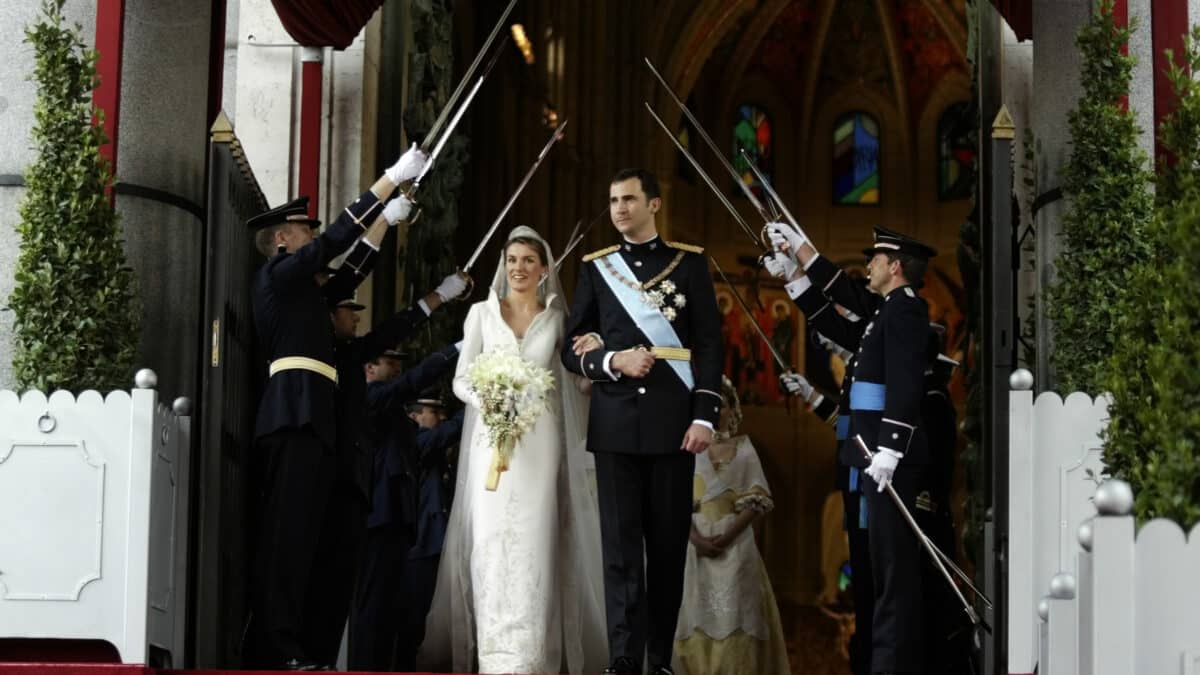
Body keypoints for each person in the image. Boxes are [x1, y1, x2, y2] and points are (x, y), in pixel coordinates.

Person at [246, 143, 430, 670]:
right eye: (304, 231)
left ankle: (303, 648)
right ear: (283, 240)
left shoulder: (305, 291)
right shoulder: (277, 278)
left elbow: (350, 272)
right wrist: (387, 181)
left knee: (312, 544)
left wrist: (386, 221)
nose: (311, 236)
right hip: (291, 415)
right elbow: (332, 245)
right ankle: (274, 650)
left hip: (317, 420)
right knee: (286, 541)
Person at [421, 226, 608, 675]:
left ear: (544, 269)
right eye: (512, 260)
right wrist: (492, 397)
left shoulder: (558, 319)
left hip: (541, 445)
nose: (519, 268)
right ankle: (494, 656)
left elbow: (575, 383)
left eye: (528, 260)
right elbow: (461, 379)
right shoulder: (482, 315)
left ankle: (532, 657)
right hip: (492, 441)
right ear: (502, 267)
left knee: (536, 540)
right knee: (489, 539)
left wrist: (597, 357)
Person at [562, 168, 724, 675]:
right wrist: (611, 362)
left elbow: (712, 347)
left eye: (629, 199)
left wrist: (706, 417)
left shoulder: (690, 264)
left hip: (674, 425)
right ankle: (624, 658)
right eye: (613, 201)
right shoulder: (596, 268)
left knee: (668, 547)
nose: (619, 209)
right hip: (613, 426)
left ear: (654, 205)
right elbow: (572, 348)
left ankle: (658, 658)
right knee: (619, 548)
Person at [350, 344, 461, 671]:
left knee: (389, 611)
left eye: (399, 363)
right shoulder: (372, 399)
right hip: (378, 519)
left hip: (398, 521)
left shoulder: (394, 412)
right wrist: (457, 351)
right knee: (373, 609)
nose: (396, 369)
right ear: (369, 368)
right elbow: (432, 434)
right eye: (389, 363)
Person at [672, 377, 789, 675]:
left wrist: (726, 537)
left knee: (736, 617)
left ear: (731, 410)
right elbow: (673, 500)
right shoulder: (684, 447)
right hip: (693, 545)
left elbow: (757, 500)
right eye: (708, 405)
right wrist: (697, 539)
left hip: (736, 546)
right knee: (690, 618)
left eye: (721, 405)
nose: (715, 411)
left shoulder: (745, 447)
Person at [393, 390, 464, 671]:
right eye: (433, 412)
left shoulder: (433, 449)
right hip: (422, 547)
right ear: (414, 416)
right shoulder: (418, 441)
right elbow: (444, 434)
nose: (441, 417)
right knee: (415, 616)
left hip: (436, 544)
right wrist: (477, 403)